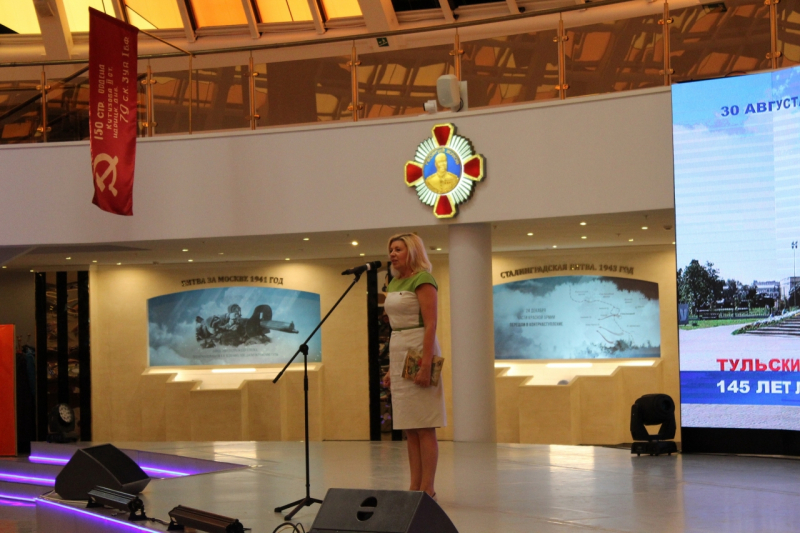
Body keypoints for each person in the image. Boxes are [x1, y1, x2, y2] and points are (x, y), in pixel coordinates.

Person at [383, 233, 446, 498]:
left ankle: (427, 488)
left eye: (398, 249)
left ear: (412, 251)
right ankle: (414, 486)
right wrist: (391, 368)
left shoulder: (423, 279)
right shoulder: (395, 281)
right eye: (391, 249)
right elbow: (395, 326)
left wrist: (426, 364)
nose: (392, 254)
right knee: (409, 426)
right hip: (399, 348)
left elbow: (431, 324)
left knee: (424, 424)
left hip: (420, 348)